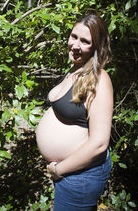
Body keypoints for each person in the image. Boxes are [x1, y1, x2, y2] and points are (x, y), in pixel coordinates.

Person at [36, 14, 113, 210]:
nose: (75, 45)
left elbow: (99, 144)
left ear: (96, 47)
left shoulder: (99, 79)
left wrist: (58, 169)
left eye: (85, 41)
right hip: (72, 173)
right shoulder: (75, 69)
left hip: (81, 176)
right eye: (74, 37)